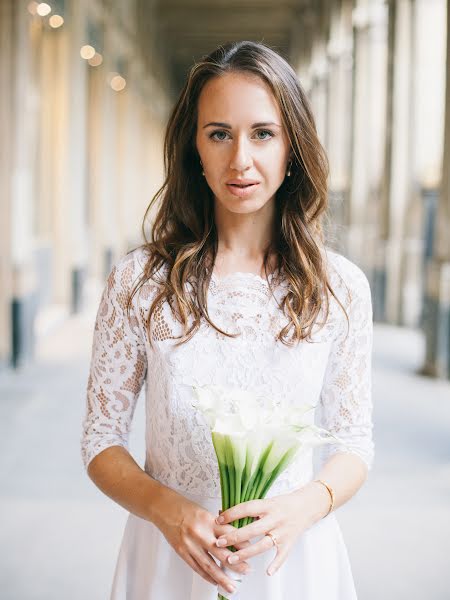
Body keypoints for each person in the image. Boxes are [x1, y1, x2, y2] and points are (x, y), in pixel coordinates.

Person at [81, 40, 374, 600]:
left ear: (292, 147)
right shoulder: (140, 281)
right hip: (170, 558)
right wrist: (168, 511)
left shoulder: (339, 288)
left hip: (291, 561)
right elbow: (100, 440)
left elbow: (355, 443)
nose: (241, 159)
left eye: (263, 134)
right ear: (194, 148)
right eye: (219, 134)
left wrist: (302, 507)